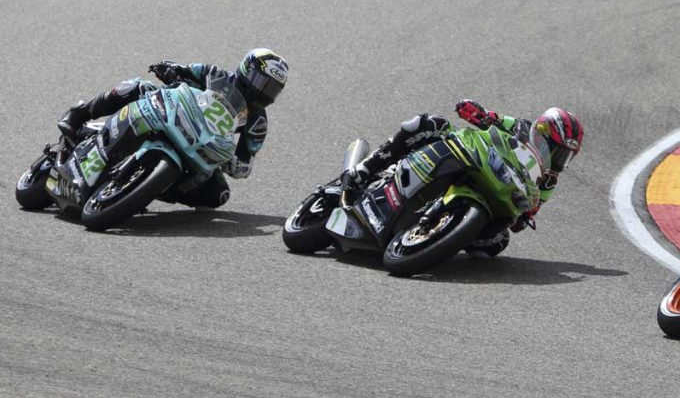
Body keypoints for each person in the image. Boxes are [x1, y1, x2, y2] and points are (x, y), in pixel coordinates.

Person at [341, 100, 583, 256]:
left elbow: (530, 210)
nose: (558, 160)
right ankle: (366, 168)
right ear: (541, 132)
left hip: (498, 188)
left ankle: (441, 234)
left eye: (565, 156)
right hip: (477, 157)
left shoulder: (549, 181)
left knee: (497, 243)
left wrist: (525, 215)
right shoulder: (520, 127)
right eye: (556, 150)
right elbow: (492, 119)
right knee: (429, 124)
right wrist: (476, 112)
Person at [55, 48, 288, 208]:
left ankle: (148, 189)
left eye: (272, 89)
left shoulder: (257, 123)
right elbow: (184, 70)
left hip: (201, 147)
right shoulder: (215, 74)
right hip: (174, 115)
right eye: (262, 83)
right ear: (247, 70)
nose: (264, 92)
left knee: (218, 194)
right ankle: (81, 113)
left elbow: (246, 163)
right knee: (138, 87)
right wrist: (170, 70)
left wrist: (233, 164)